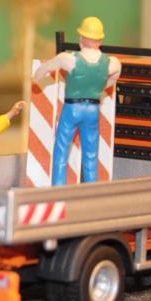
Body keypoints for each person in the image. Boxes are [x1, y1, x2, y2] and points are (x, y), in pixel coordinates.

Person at [31, 15, 121, 184]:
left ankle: (59, 190)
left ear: (81, 38)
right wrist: (97, 89)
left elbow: (43, 70)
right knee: (91, 154)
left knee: (62, 151)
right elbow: (113, 79)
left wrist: (35, 79)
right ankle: (91, 191)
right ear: (100, 40)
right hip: (93, 110)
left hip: (71, 109)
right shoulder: (112, 63)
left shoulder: (68, 59)